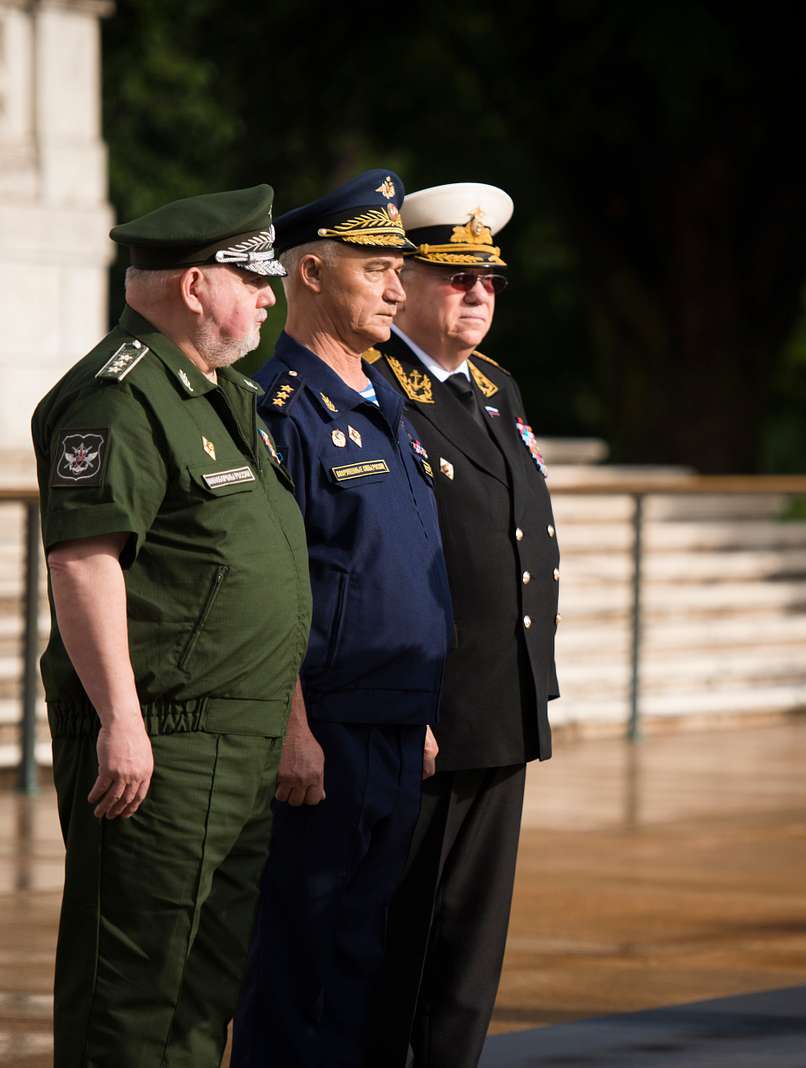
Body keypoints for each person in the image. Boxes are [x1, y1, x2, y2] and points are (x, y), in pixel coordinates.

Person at [31, 185, 311, 1066]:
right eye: (254, 279)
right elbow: (83, 563)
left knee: (203, 992)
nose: (270, 296)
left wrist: (291, 719)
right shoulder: (117, 400)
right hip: (165, 746)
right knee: (132, 996)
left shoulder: (218, 394)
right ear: (195, 285)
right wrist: (121, 720)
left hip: (239, 737)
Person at [231, 169, 453, 1067]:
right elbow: (269, 590)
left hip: (395, 723)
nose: (399, 287)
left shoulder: (385, 399)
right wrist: (292, 731)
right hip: (324, 732)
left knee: (363, 961)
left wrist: (420, 710)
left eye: (401, 269)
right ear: (311, 274)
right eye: (377, 268)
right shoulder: (277, 410)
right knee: (299, 967)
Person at [363, 182, 561, 1065]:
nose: (477, 293)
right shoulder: (381, 390)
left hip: (500, 705)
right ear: (405, 278)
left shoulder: (494, 385)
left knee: (472, 955)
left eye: (488, 278)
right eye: (455, 276)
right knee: (399, 948)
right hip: (426, 714)